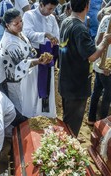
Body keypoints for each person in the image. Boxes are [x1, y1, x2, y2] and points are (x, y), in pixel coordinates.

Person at [59, 0, 111, 137]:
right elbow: (93, 56)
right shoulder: (80, 29)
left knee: (68, 120)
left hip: (67, 81)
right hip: (76, 86)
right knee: (72, 125)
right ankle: (67, 148)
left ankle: (68, 141)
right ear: (87, 6)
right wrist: (105, 41)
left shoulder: (67, 21)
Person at [0, 8, 52, 116]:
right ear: (7, 26)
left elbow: (29, 49)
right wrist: (39, 61)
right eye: (16, 23)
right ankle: (18, 131)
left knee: (27, 106)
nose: (20, 25)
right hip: (15, 82)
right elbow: (21, 64)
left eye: (21, 21)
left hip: (25, 78)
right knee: (19, 109)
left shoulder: (19, 33)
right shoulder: (10, 43)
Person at [22, 0, 59, 118]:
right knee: (32, 86)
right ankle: (30, 115)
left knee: (47, 84)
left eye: (53, 9)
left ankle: (44, 114)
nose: (51, 11)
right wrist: (45, 35)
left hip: (48, 55)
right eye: (49, 8)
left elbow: (56, 35)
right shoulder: (29, 15)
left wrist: (54, 40)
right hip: (34, 56)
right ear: (41, 4)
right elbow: (27, 33)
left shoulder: (52, 18)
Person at [87, 14, 111, 125]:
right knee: (107, 95)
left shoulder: (106, 18)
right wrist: (104, 64)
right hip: (105, 65)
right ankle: (102, 123)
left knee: (97, 91)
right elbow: (100, 41)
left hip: (104, 64)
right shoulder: (108, 20)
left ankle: (92, 119)